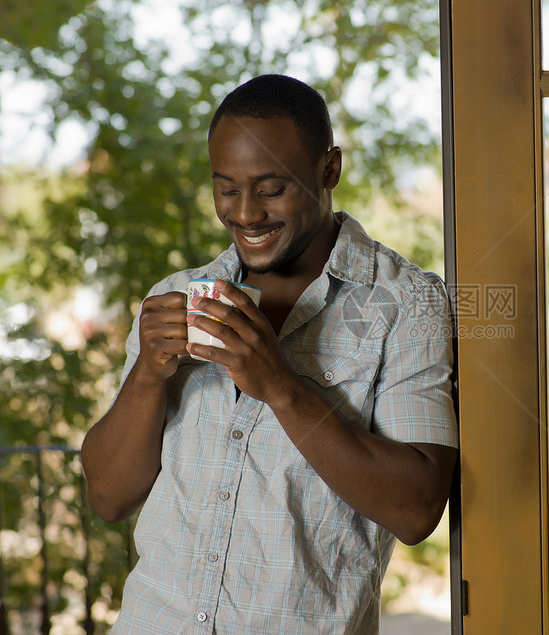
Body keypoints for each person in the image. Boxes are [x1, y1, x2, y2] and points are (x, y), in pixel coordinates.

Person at [80, 74, 459, 634]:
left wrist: (280, 385)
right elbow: (108, 497)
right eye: (226, 188)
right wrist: (146, 375)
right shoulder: (180, 295)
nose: (246, 214)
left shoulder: (405, 304)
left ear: (329, 170)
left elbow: (417, 508)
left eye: (271, 188)